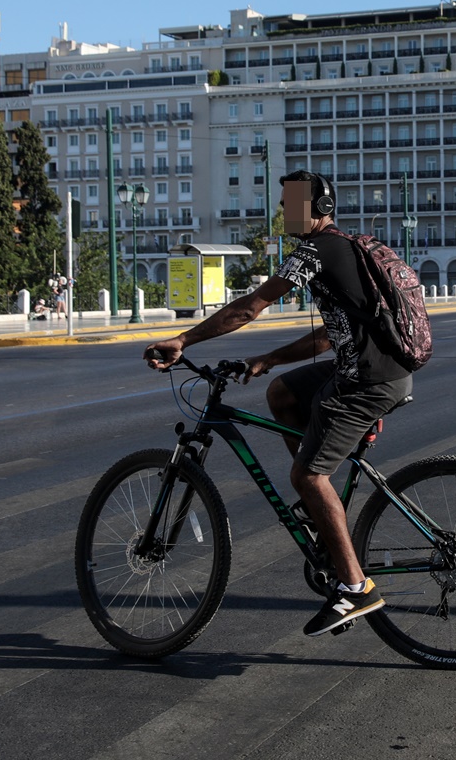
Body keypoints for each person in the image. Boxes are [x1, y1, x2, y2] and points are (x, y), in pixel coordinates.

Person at [144, 170, 415, 637]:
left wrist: (184, 340)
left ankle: (355, 586)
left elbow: (250, 306)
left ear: (320, 209)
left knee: (307, 474)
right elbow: (334, 335)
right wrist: (270, 359)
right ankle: (321, 512)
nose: (284, 212)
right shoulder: (341, 250)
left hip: (368, 381)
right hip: (366, 369)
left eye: (292, 203)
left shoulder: (316, 251)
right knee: (282, 393)